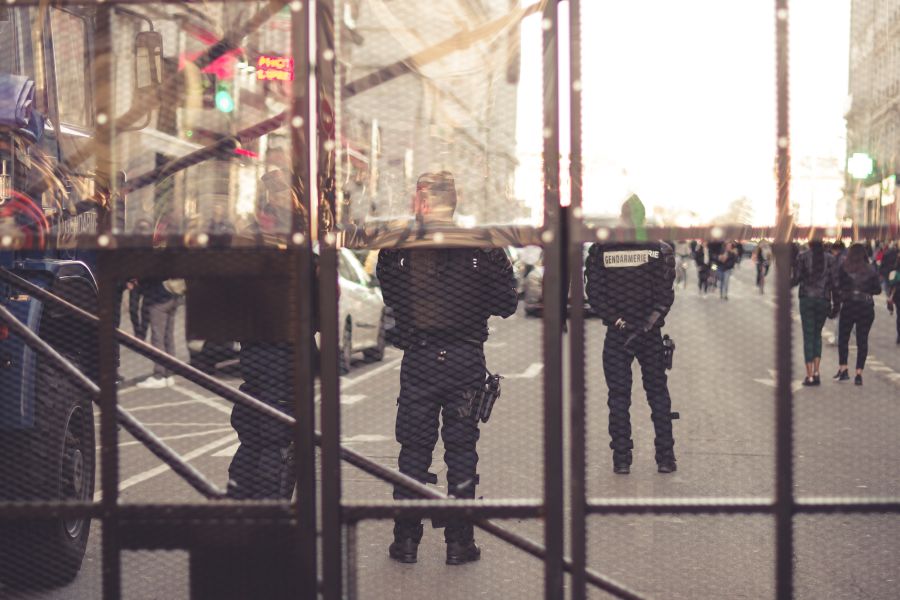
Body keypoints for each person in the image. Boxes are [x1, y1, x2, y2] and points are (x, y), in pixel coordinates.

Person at [377, 171, 517, 565]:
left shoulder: (399, 247)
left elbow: (390, 295)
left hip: (419, 358)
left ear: (422, 203)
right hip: (464, 356)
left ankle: (405, 541)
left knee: (413, 452)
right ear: (453, 202)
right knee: (461, 451)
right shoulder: (482, 246)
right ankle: (459, 542)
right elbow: (506, 302)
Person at [584, 194, 677, 475]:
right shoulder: (659, 250)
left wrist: (619, 322)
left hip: (617, 335)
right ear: (643, 218)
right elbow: (665, 296)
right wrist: (646, 326)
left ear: (622, 218)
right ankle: (665, 457)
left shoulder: (602, 249)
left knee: (618, 398)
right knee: (658, 394)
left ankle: (622, 459)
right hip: (649, 335)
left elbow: (595, 295)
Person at [832, 243, 882, 385]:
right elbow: (878, 290)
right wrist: (867, 291)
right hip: (865, 307)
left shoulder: (844, 267)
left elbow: (838, 285)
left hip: (849, 306)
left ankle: (843, 368)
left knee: (843, 338)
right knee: (862, 340)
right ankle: (859, 374)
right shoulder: (871, 269)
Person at [791, 239, 838, 386]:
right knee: (817, 335)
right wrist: (835, 305)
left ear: (810, 245)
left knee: (808, 336)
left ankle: (809, 375)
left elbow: (797, 278)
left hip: (807, 299)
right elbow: (834, 283)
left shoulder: (802, 257)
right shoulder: (830, 259)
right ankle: (817, 372)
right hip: (823, 299)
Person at [134, 279, 179, 388]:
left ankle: (159, 375)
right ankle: (169, 373)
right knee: (168, 336)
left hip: (158, 297)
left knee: (157, 337)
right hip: (173, 294)